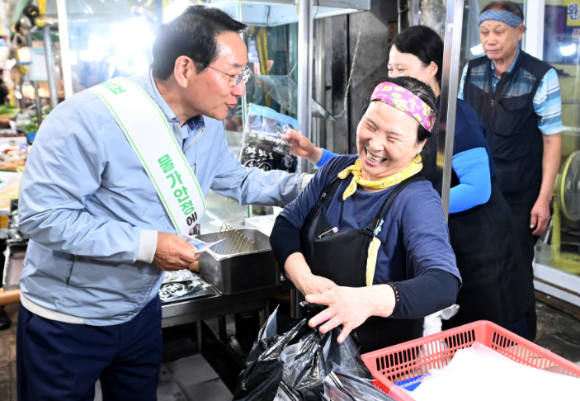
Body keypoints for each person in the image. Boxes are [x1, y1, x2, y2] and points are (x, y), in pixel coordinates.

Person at [17, 6, 307, 400]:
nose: (241, 89)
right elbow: (42, 217)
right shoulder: (89, 119)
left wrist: (314, 184)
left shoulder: (207, 127)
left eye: (244, 76)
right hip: (68, 321)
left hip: (140, 312)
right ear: (185, 68)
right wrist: (147, 244)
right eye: (232, 75)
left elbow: (239, 180)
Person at [286, 26, 535, 340]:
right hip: (435, 239)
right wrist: (318, 155)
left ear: (432, 68)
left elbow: (478, 188)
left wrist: (416, 209)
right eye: (390, 69)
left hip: (478, 248)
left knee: (492, 333)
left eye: (401, 69)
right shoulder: (400, 115)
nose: (392, 76)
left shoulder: (457, 118)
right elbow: (379, 163)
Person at [270, 76, 461, 354]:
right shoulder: (337, 171)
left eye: (393, 137)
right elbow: (287, 224)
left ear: (419, 145)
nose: (374, 144)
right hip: (315, 346)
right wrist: (305, 279)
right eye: (370, 126)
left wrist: (368, 301)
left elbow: (443, 283)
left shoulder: (416, 200)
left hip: (377, 363)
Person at [459, 1, 562, 339]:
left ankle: (521, 344)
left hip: (519, 195)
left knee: (515, 271)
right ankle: (476, 339)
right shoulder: (470, 71)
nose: (490, 39)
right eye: (485, 31)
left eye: (498, 31)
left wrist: (544, 199)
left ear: (519, 31)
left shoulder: (540, 76)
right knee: (476, 266)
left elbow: (551, 142)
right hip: (476, 189)